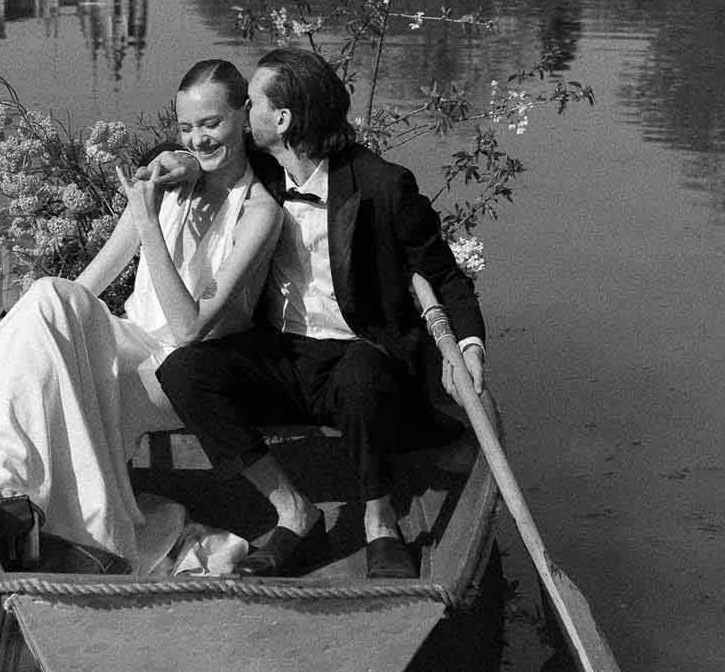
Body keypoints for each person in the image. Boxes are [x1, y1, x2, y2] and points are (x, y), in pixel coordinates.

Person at [156, 47, 486, 580]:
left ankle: (381, 523)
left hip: (355, 354)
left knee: (362, 375)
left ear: (281, 119)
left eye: (250, 101)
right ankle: (293, 510)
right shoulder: (261, 167)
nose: (242, 109)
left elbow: (446, 277)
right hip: (280, 351)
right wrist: (181, 159)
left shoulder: (381, 186)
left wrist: (467, 348)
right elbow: (201, 147)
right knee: (185, 370)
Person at [0, 59, 282, 574]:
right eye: (186, 128)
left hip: (183, 371)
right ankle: (11, 495)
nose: (199, 140)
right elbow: (92, 279)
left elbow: (189, 329)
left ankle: (97, 538)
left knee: (63, 379)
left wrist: (148, 217)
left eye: (212, 124)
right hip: (130, 337)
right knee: (50, 294)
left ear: (245, 115)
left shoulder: (258, 212)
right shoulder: (174, 176)